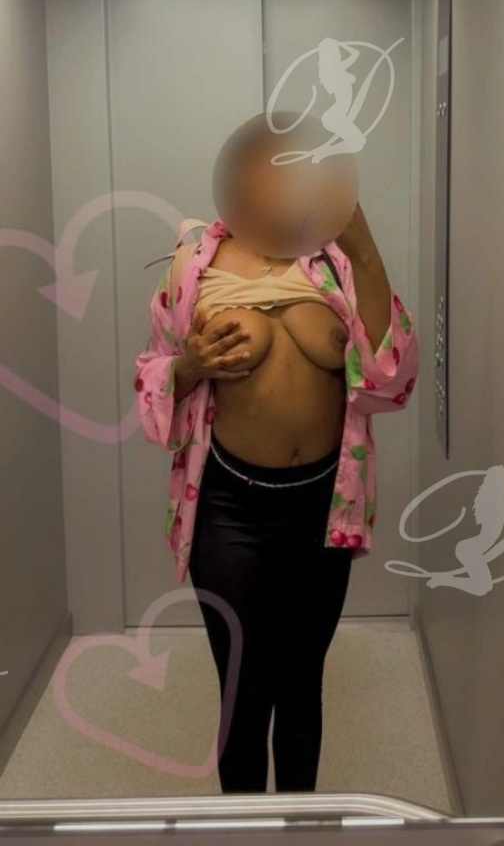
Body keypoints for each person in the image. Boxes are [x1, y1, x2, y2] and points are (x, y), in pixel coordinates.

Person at [134, 112, 419, 794]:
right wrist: (189, 366)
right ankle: (244, 832)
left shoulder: (338, 265)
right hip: (228, 511)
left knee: (301, 687)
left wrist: (365, 245)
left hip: (323, 507)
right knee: (244, 690)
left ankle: (298, 830)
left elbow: (392, 379)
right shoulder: (193, 264)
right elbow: (151, 378)